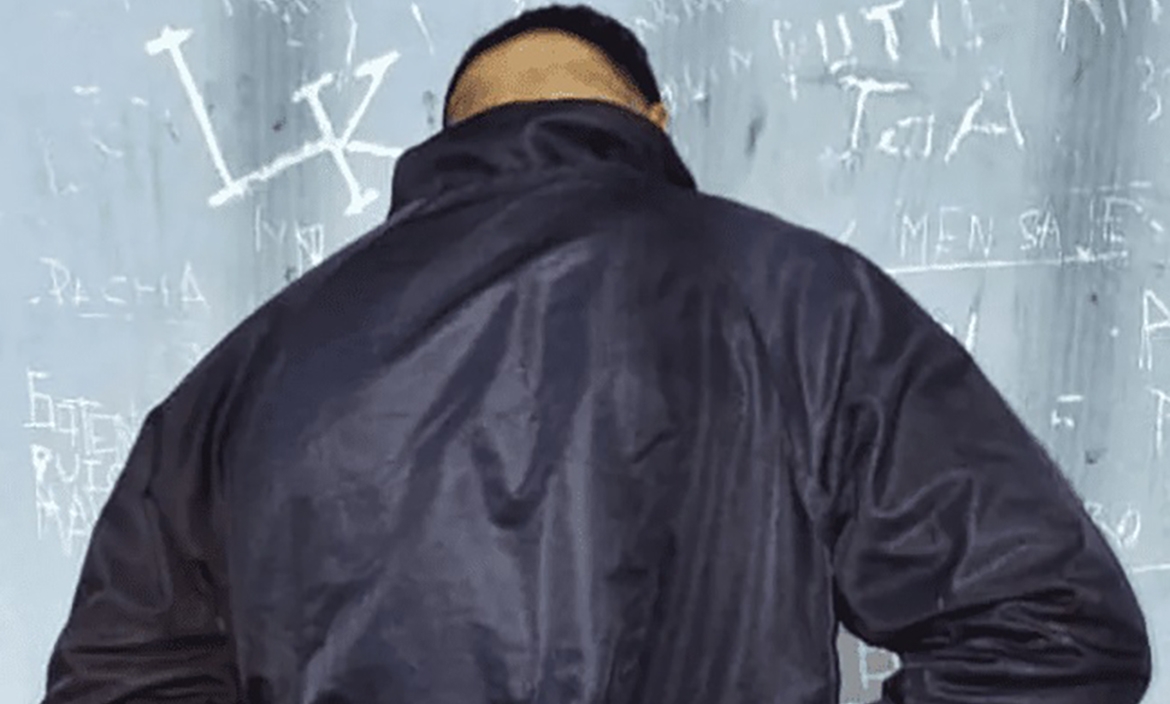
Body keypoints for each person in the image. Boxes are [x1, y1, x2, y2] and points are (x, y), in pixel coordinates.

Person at [42, 4, 1151, 704]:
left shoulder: (246, 376)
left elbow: (118, 679)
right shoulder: (800, 299)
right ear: (652, 119)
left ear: (451, 133)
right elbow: (1055, 632)